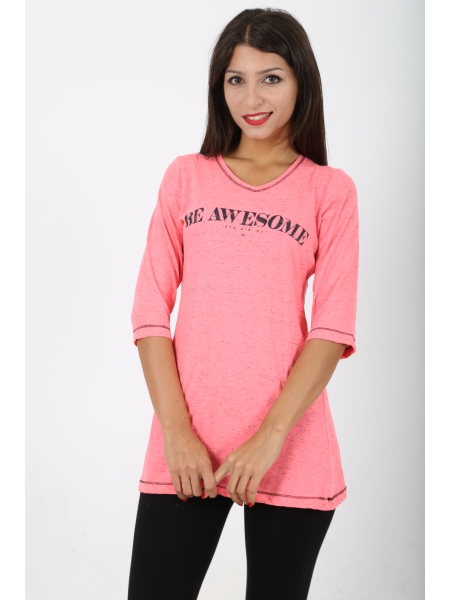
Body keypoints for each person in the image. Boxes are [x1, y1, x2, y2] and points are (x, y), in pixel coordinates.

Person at [127, 7, 359, 600]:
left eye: (271, 78)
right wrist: (177, 432)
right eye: (236, 79)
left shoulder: (329, 191)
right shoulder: (186, 177)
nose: (251, 98)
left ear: (302, 81)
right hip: (188, 446)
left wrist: (269, 438)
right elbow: (150, 310)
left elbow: (332, 327)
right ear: (219, 86)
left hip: (290, 447)